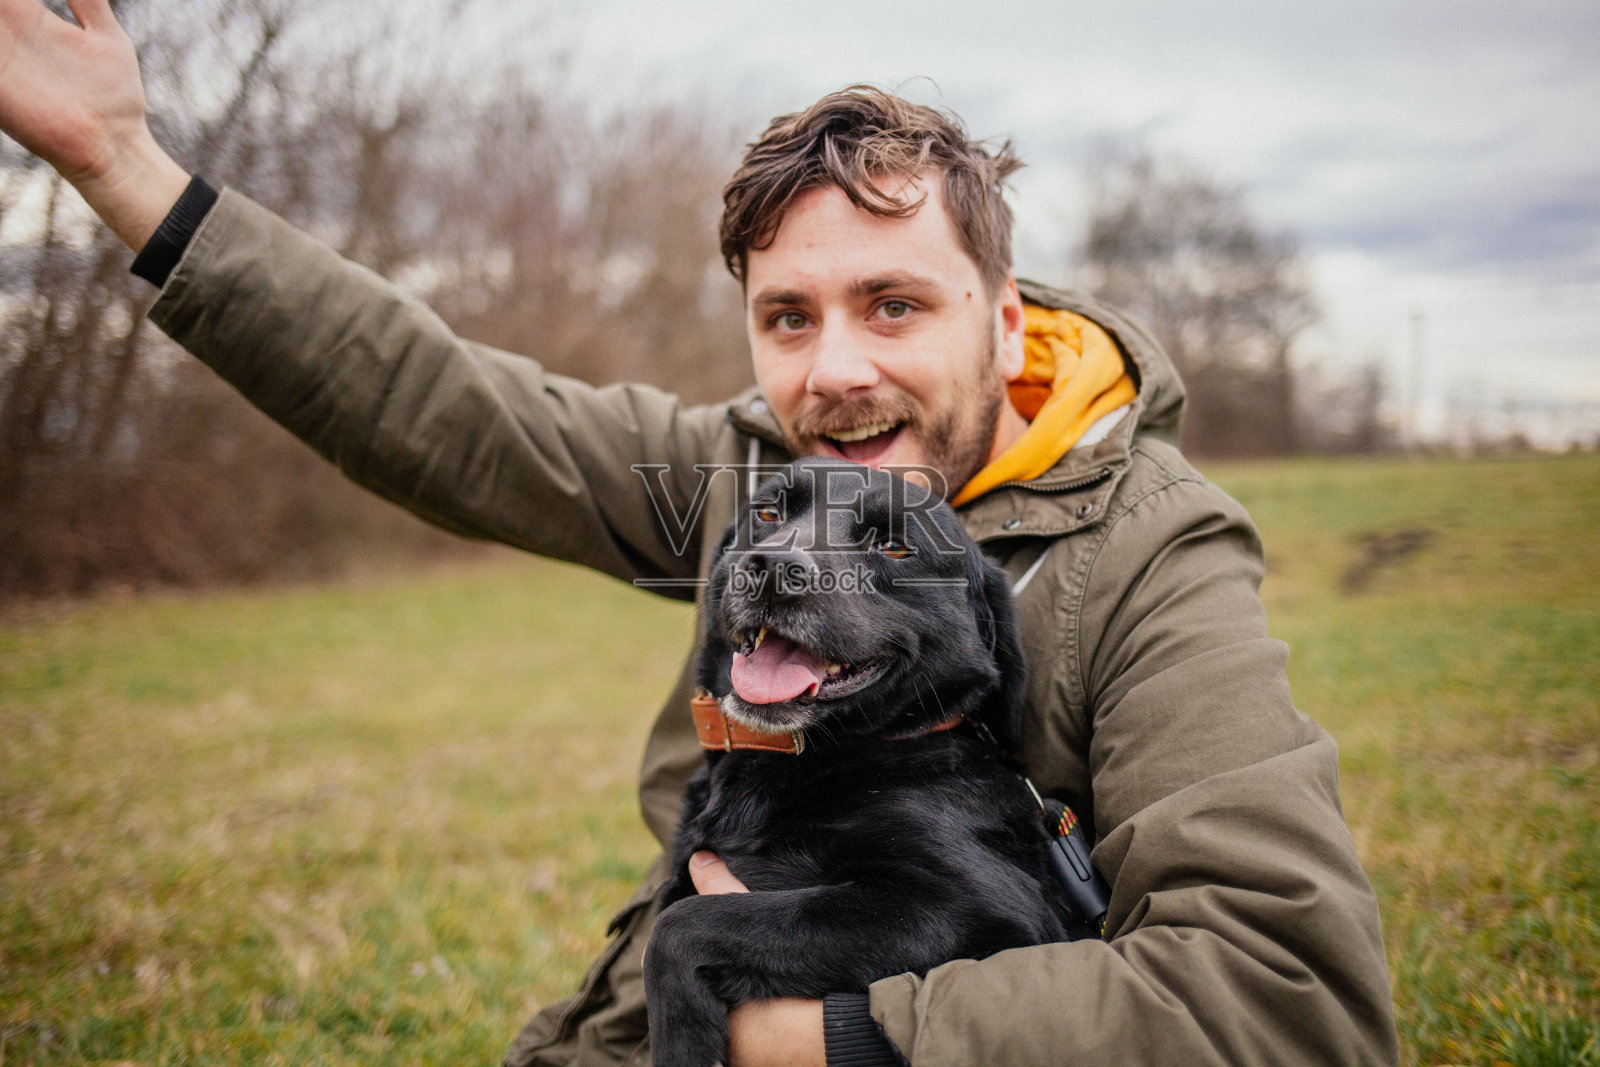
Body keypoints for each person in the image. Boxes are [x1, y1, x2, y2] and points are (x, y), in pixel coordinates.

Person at [0, 2, 1400, 1063]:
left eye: (893, 304)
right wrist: (126, 167)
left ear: (1006, 316)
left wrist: (797, 1037)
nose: (834, 371)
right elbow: (445, 404)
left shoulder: (1147, 550)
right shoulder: (744, 479)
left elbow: (1286, 998)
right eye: (790, 316)